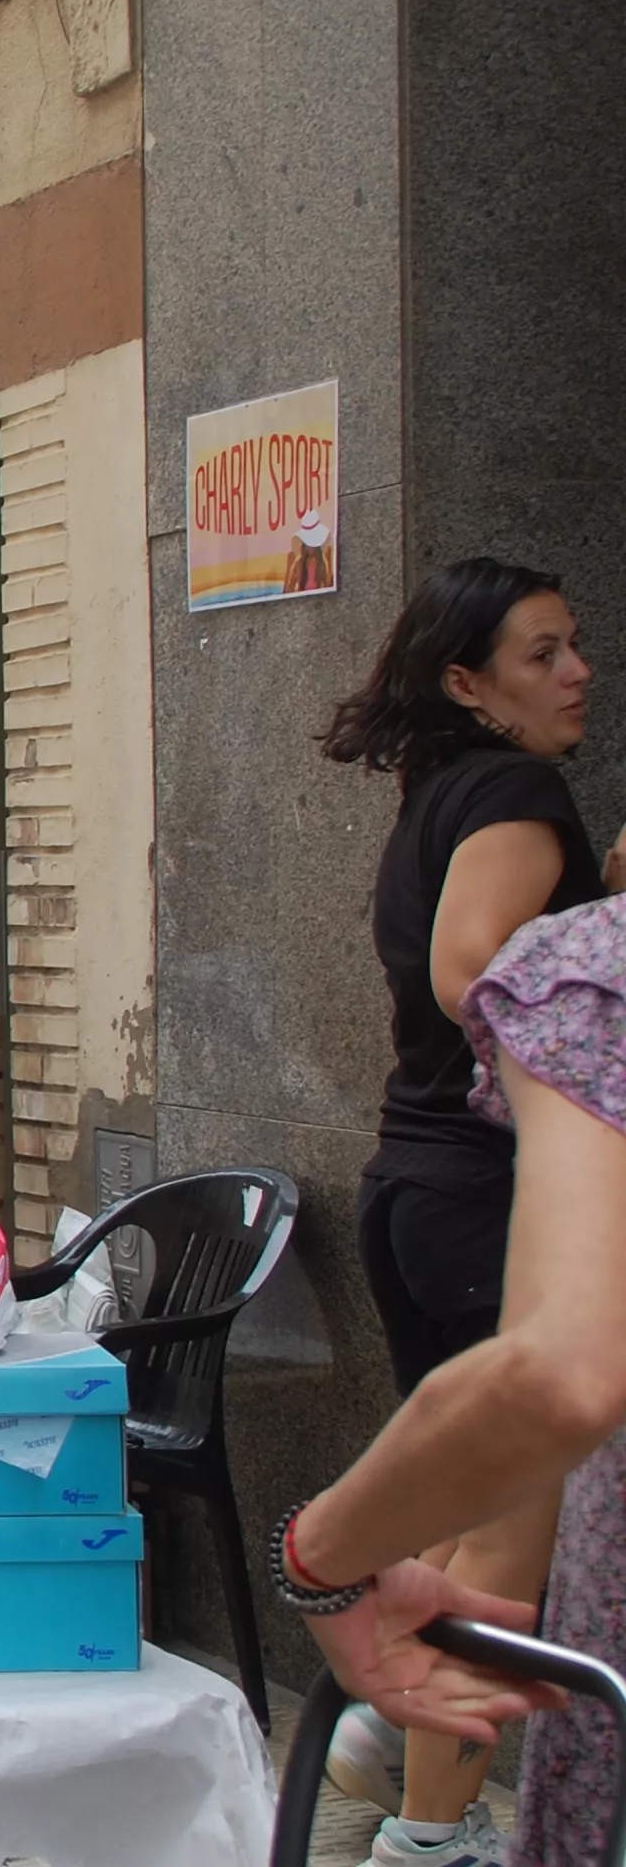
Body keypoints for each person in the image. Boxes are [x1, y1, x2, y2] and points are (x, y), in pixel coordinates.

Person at [315, 558, 619, 1858]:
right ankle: (431, 1836)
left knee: (461, 1511)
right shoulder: (513, 792)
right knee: (507, 1533)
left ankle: (376, 1741)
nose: (577, 672)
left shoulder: (440, 794)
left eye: (574, 644)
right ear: (466, 682)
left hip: (415, 1191)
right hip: (487, 1199)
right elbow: (466, 971)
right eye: (542, 653)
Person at [272, 893, 626, 1867]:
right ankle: (425, 1821)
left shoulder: (595, 971)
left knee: (499, 1523)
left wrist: (318, 1554)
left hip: (422, 1202)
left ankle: (425, 1825)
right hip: (438, 1204)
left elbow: (559, 1377)